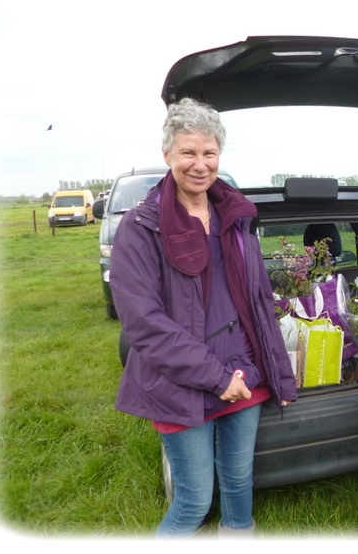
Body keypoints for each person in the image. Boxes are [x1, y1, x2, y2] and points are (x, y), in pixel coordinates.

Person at [110, 97, 297, 537]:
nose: (199, 164)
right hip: (182, 384)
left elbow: (258, 301)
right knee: (193, 500)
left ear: (219, 155)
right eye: (188, 153)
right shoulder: (141, 227)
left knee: (239, 483)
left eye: (208, 153)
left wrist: (278, 376)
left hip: (244, 373)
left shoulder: (235, 217)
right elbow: (144, 324)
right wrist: (216, 378)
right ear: (167, 156)